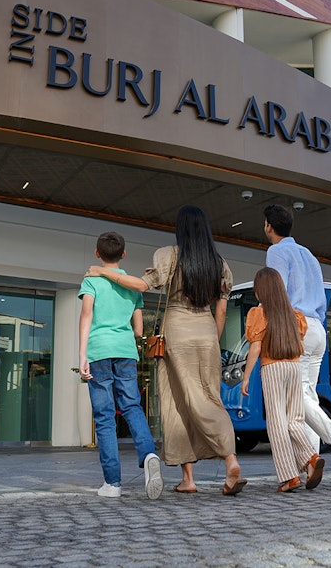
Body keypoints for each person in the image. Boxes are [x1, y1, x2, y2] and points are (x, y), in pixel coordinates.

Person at [88, 206, 246, 496]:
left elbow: (141, 284)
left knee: (177, 399)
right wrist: (212, 337)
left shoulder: (169, 255)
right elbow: (221, 309)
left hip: (178, 329)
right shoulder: (219, 263)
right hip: (207, 330)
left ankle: (206, 469)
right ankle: (219, 465)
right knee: (210, 396)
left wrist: (101, 272)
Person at [263, 203, 331, 486]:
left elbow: (276, 292)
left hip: (296, 327)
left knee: (295, 399)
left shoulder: (276, 251)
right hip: (318, 327)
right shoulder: (308, 254)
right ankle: (311, 463)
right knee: (307, 395)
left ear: (268, 226)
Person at [78, 231, 164, 499]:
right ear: (123, 254)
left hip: (99, 352)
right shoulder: (131, 283)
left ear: (97, 253)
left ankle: (112, 484)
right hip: (125, 352)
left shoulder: (92, 280)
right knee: (131, 406)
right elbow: (139, 330)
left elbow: (86, 316)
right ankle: (148, 452)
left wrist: (82, 354)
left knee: (104, 418)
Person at [241, 267, 325, 492]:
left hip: (273, 367)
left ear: (261, 291)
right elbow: (300, 339)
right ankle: (311, 458)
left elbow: (255, 347)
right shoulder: (294, 315)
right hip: (294, 367)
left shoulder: (259, 314)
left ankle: (290, 476)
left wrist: (246, 376)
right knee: (295, 419)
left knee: (277, 422)